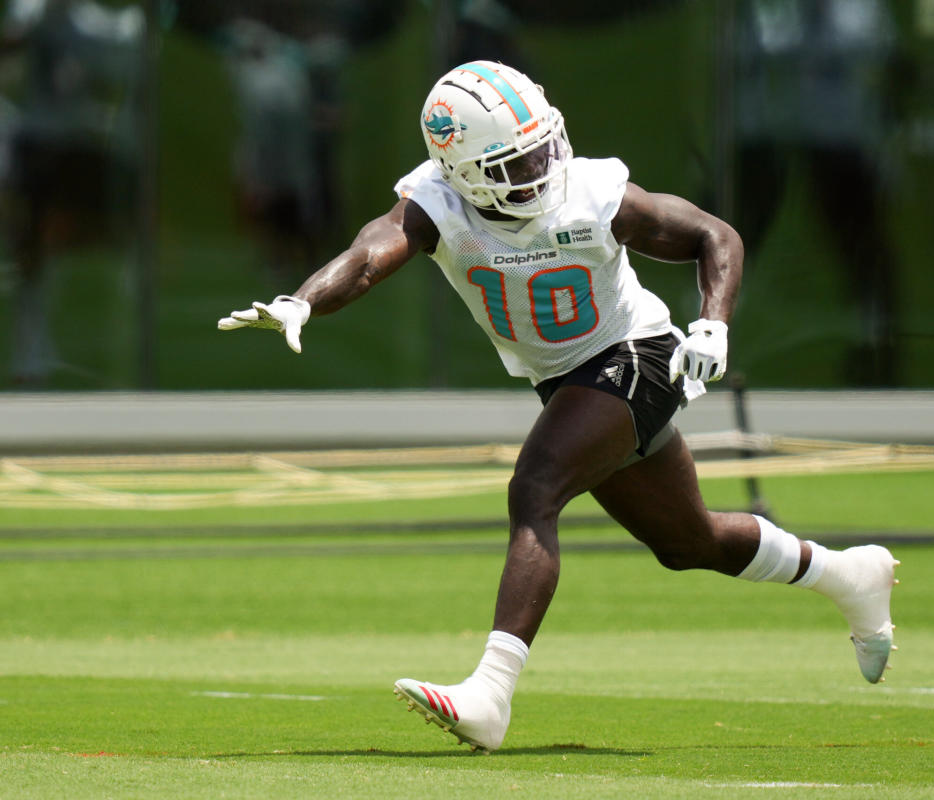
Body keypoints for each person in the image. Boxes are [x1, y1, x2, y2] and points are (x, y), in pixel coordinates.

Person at [218, 60, 899, 753]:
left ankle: (490, 694)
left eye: (543, 147)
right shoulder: (436, 203)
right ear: (464, 172)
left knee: (535, 487)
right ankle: (850, 575)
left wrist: (714, 322)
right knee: (688, 543)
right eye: (516, 163)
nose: (542, 170)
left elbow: (714, 236)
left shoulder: (592, 192)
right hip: (570, 381)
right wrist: (303, 299)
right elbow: (367, 256)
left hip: (638, 354)